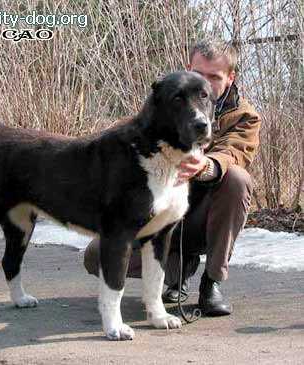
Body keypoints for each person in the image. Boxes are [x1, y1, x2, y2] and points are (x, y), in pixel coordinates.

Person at [83, 40, 262, 316]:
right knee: (96, 256)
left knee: (237, 179)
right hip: (160, 214)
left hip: (204, 219)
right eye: (199, 73)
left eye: (215, 77)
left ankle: (211, 282)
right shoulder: (167, 102)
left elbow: (234, 153)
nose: (206, 82)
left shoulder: (245, 117)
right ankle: (176, 270)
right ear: (188, 68)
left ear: (230, 78)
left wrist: (206, 165)